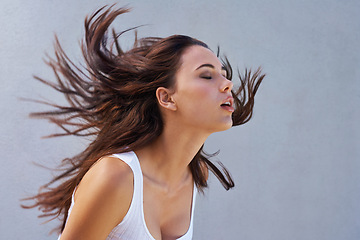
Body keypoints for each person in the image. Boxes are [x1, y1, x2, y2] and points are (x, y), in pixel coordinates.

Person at [22, 5, 265, 240]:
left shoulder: (193, 174)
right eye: (206, 75)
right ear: (166, 98)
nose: (227, 84)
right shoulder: (115, 177)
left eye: (224, 75)